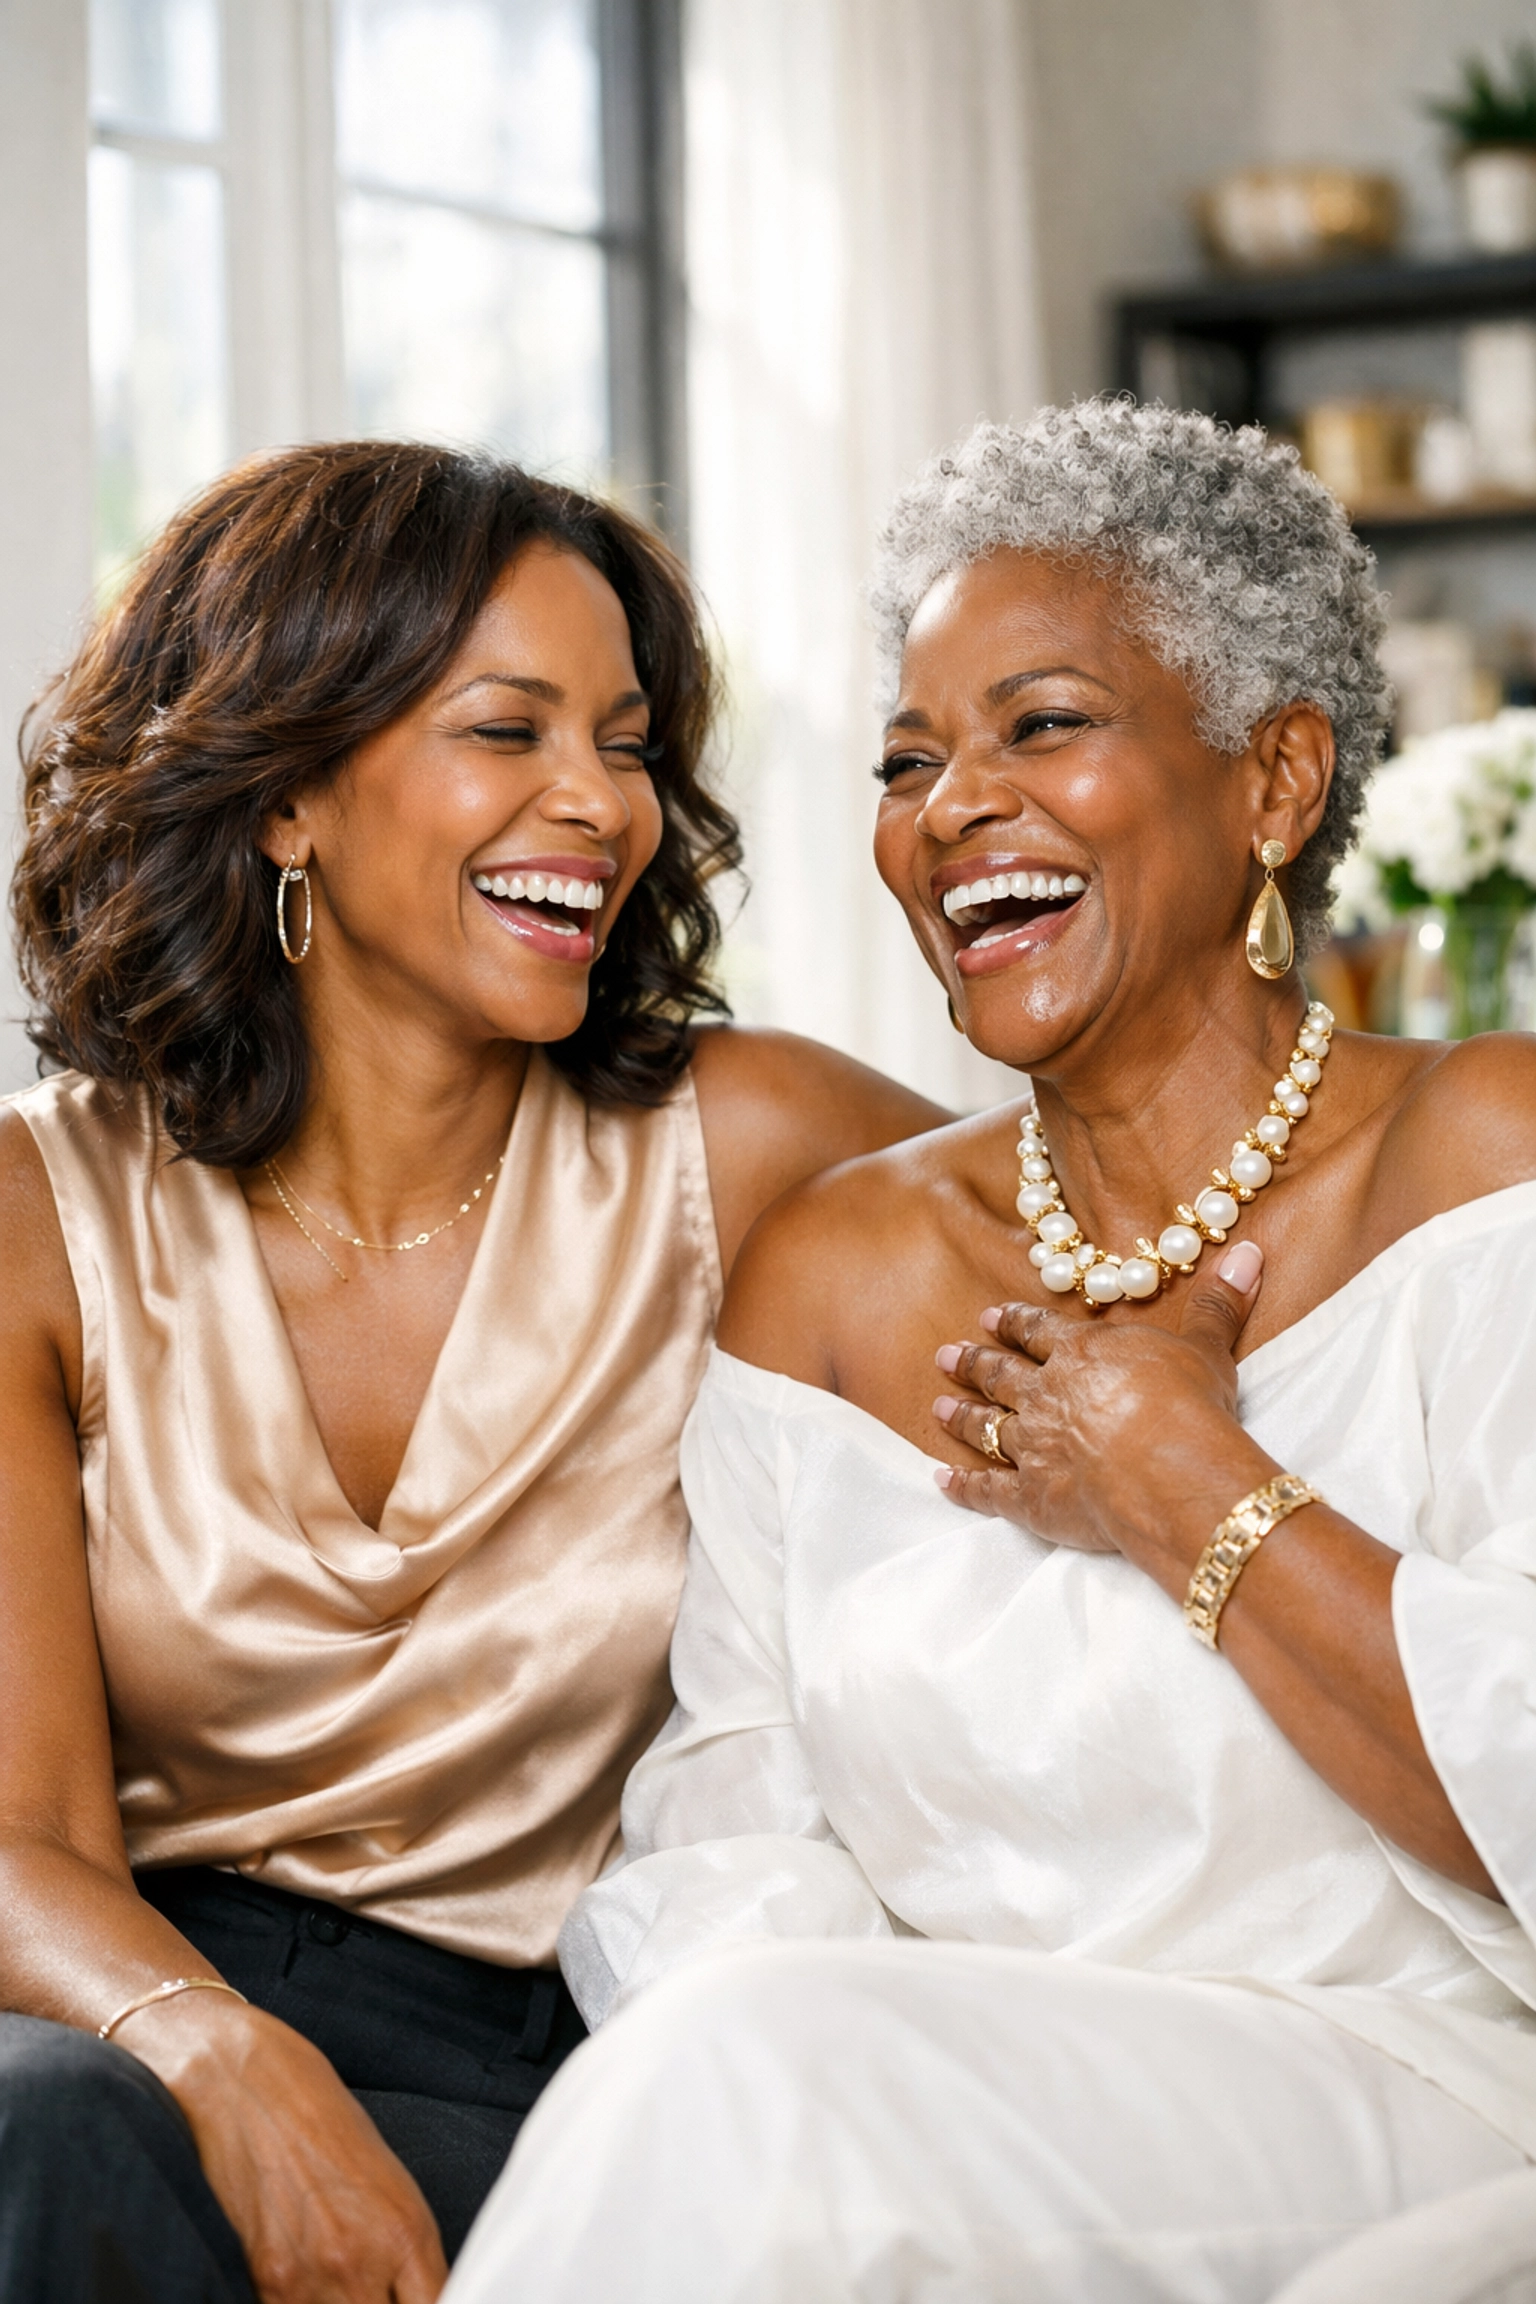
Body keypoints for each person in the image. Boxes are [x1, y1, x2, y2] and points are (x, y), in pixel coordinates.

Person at [444, 401, 1536, 2304]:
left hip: (1406, 2089)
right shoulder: (840, 1269)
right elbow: (730, 1830)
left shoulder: (1485, 1162)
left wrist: (1180, 1469)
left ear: (1274, 782)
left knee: (767, 2086)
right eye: (907, 758)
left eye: (1041, 725)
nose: (950, 808)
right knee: (743, 2065)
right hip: (904, 2113)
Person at [0, 441, 946, 2304]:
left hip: (562, 2041)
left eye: (625, 744)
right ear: (285, 795)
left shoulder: (745, 1145)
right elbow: (21, 1841)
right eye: (508, 733)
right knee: (46, 2141)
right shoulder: (42, 1215)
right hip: (127, 2006)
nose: (601, 807)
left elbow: (1133, 1245)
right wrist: (217, 2049)